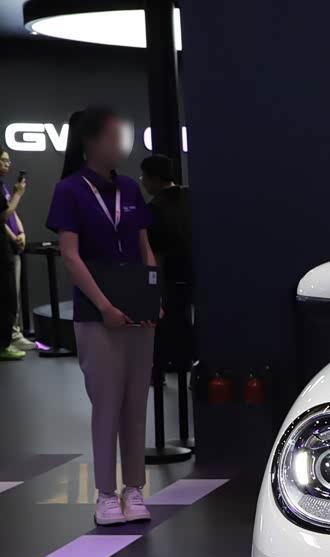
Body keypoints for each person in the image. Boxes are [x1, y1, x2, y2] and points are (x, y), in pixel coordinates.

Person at [46, 106, 158, 527]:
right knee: (107, 404)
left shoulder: (129, 188)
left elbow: (145, 247)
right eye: (113, 136)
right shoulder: (70, 190)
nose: (120, 144)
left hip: (138, 313)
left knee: (136, 403)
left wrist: (151, 296)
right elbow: (70, 256)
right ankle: (106, 494)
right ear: (90, 142)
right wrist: (104, 305)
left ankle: (135, 488)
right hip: (97, 315)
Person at [139, 153, 195, 374]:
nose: (142, 182)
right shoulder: (191, 197)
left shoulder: (154, 208)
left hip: (170, 276)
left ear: (154, 178)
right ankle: (187, 363)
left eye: (144, 177)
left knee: (164, 322)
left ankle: (160, 369)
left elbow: (152, 250)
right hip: (196, 272)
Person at [1, 149, 37, 360]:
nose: (8, 164)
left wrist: (21, 232)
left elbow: (12, 213)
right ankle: (11, 336)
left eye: (8, 160)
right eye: (3, 160)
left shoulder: (4, 186)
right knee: (8, 295)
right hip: (5, 246)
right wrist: (18, 194)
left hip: (12, 246)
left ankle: (14, 333)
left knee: (12, 293)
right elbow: (2, 217)